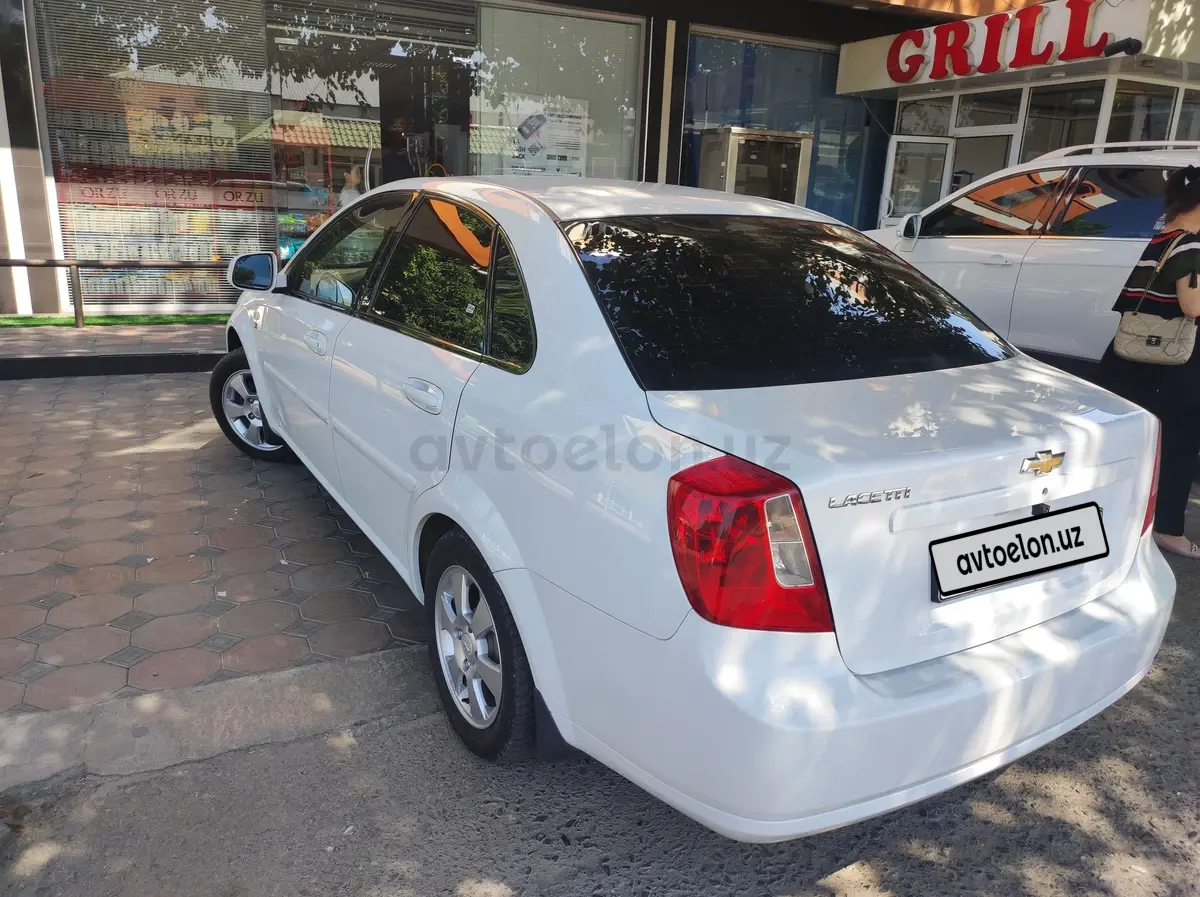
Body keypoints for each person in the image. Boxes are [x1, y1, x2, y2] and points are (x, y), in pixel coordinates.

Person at [1100, 165, 1200, 558]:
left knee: (1136, 437)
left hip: (1137, 352)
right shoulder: (1191, 245)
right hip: (1172, 360)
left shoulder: (1166, 236)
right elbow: (1193, 306)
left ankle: (1118, 513)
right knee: (1180, 441)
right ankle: (1169, 529)